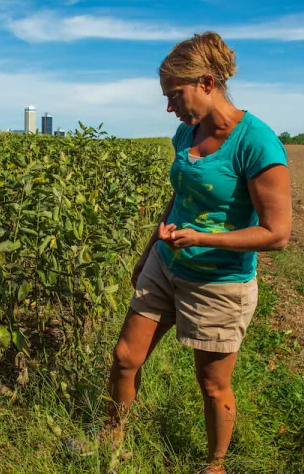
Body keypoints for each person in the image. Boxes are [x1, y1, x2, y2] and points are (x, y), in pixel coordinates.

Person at [105, 31, 292, 473]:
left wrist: (203, 239)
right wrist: (148, 250)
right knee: (125, 358)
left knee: (212, 386)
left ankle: (216, 464)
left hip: (218, 282)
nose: (170, 107)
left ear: (207, 83)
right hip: (166, 265)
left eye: (175, 94)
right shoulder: (184, 132)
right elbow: (178, 200)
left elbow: (277, 234)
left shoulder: (257, 144)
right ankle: (110, 438)